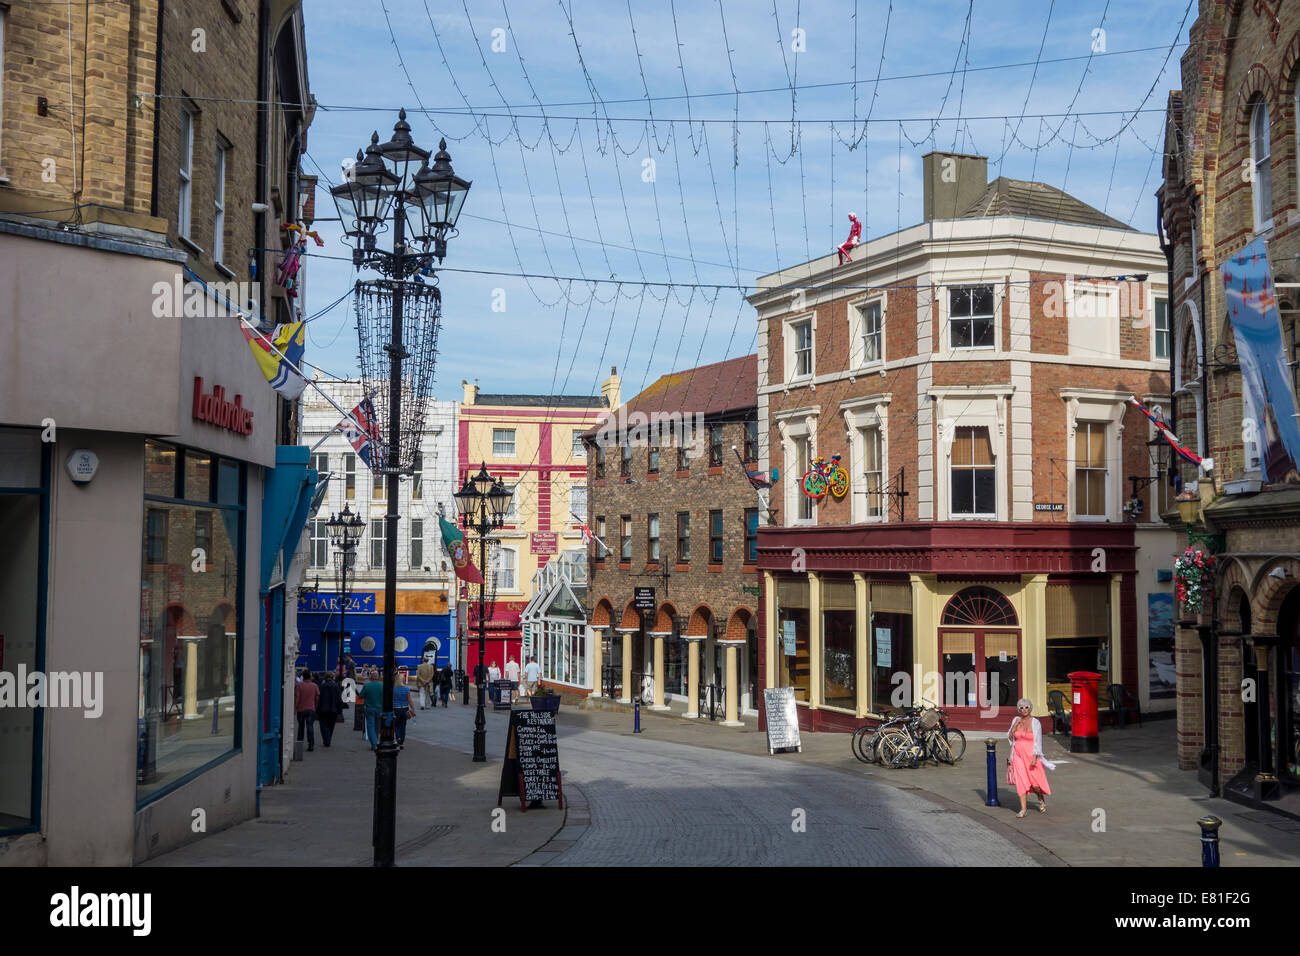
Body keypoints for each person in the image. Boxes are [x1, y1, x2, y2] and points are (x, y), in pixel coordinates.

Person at [1007, 698, 1055, 818]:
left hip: (1031, 755)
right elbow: (1010, 737)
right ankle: (1023, 809)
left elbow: (1038, 741)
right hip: (1017, 754)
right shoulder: (1016, 720)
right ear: (1019, 709)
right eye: (1021, 707)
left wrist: (1035, 756)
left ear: (1030, 708)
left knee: (1035, 784)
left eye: (1026, 707)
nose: (1024, 710)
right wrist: (1015, 726)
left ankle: (1041, 799)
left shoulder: (1035, 722)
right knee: (1021, 781)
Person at [295, 670, 319, 752]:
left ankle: (299, 744)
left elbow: (297, 697)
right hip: (311, 709)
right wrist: (315, 706)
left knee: (301, 727)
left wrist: (295, 707)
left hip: (301, 709)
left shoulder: (299, 685)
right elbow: (317, 698)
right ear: (310, 676)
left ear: (303, 676)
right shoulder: (315, 686)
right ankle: (311, 744)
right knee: (310, 726)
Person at [317, 672, 342, 747]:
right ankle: (328, 739)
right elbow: (339, 699)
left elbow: (319, 698)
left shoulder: (321, 686)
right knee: (331, 726)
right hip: (333, 709)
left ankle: (326, 739)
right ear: (332, 677)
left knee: (323, 725)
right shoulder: (336, 686)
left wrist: (317, 709)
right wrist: (339, 709)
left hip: (323, 709)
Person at [361, 671, 385, 750]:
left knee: (370, 726)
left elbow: (361, 695)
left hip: (370, 708)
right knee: (377, 726)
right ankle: (375, 741)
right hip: (380, 708)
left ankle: (374, 744)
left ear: (370, 677)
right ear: (378, 677)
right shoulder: (382, 686)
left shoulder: (367, 686)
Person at [392, 671, 414, 746]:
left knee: (396, 725)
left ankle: (398, 737)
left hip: (396, 708)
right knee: (403, 725)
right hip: (405, 709)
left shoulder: (393, 689)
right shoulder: (406, 689)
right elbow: (409, 700)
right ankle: (402, 741)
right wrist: (413, 709)